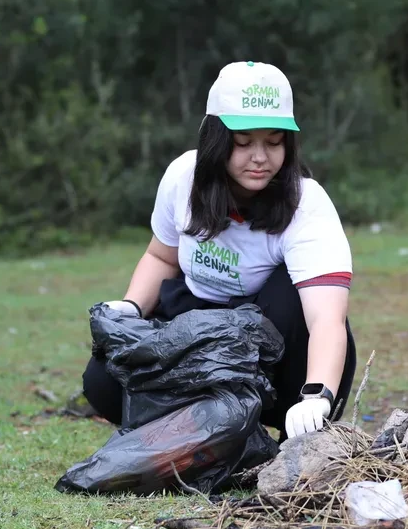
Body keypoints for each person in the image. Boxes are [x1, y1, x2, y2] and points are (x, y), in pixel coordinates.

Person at [81, 61, 357, 439]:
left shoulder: (306, 204)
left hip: (266, 344)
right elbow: (161, 257)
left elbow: (327, 319)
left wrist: (317, 394)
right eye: (243, 142)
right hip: (192, 325)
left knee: (293, 293)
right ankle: (200, 432)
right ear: (216, 139)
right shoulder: (183, 177)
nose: (260, 157)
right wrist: (131, 308)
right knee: (102, 382)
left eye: (274, 141)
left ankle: (279, 428)